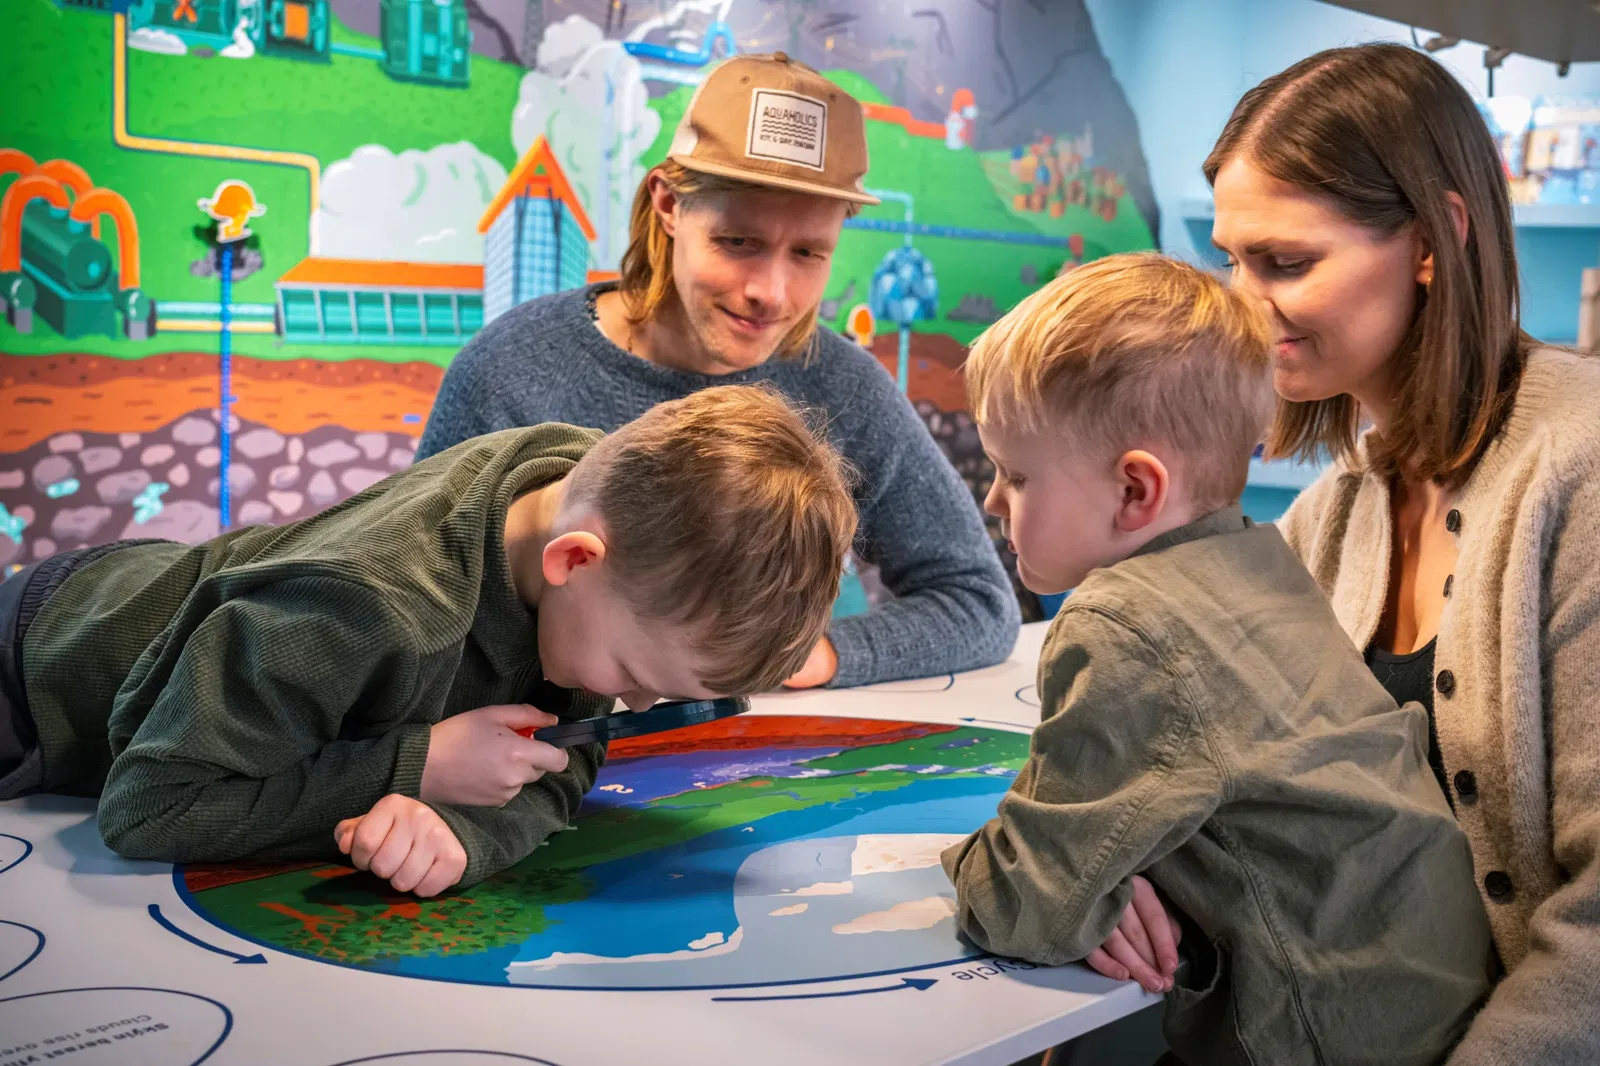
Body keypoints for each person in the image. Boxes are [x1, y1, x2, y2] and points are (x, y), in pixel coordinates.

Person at [942, 253, 1492, 1066]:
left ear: (1136, 490)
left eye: (1016, 476)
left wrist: (999, 867)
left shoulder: (1123, 625)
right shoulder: (1259, 562)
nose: (993, 500)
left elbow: (1021, 908)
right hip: (1428, 1011)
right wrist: (1100, 876)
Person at [0, 386, 857, 898]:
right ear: (573, 560)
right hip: (44, 664)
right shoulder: (362, 604)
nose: (630, 703)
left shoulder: (598, 516)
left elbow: (567, 757)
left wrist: (465, 835)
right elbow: (150, 805)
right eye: (633, 675)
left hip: (182, 616)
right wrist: (413, 767)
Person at [1205, 43, 1600, 1065]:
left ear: (1432, 241)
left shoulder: (1581, 471)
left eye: (1285, 263)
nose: (1242, 302)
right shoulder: (1335, 511)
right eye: (1231, 259)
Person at [418, 51, 1020, 690]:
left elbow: (977, 602)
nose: (771, 292)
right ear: (669, 204)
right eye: (738, 242)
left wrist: (796, 656)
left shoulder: (845, 387)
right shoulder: (510, 371)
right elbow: (415, 616)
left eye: (808, 253)